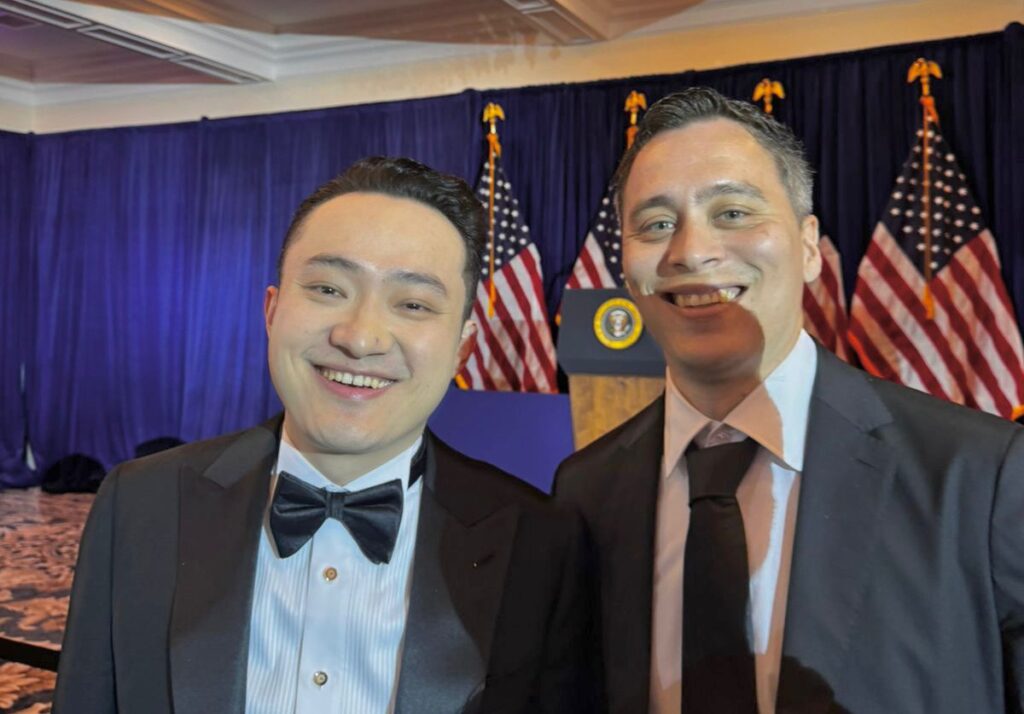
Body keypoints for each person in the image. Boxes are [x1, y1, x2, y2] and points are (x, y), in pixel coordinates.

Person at [55, 156, 597, 714]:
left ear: (463, 346)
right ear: (272, 311)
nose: (360, 338)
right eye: (328, 288)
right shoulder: (139, 504)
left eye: (413, 304)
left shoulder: (541, 543)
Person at [555, 87, 1024, 714]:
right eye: (657, 224)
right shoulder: (585, 492)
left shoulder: (981, 475)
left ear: (808, 247)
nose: (691, 251)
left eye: (732, 212)